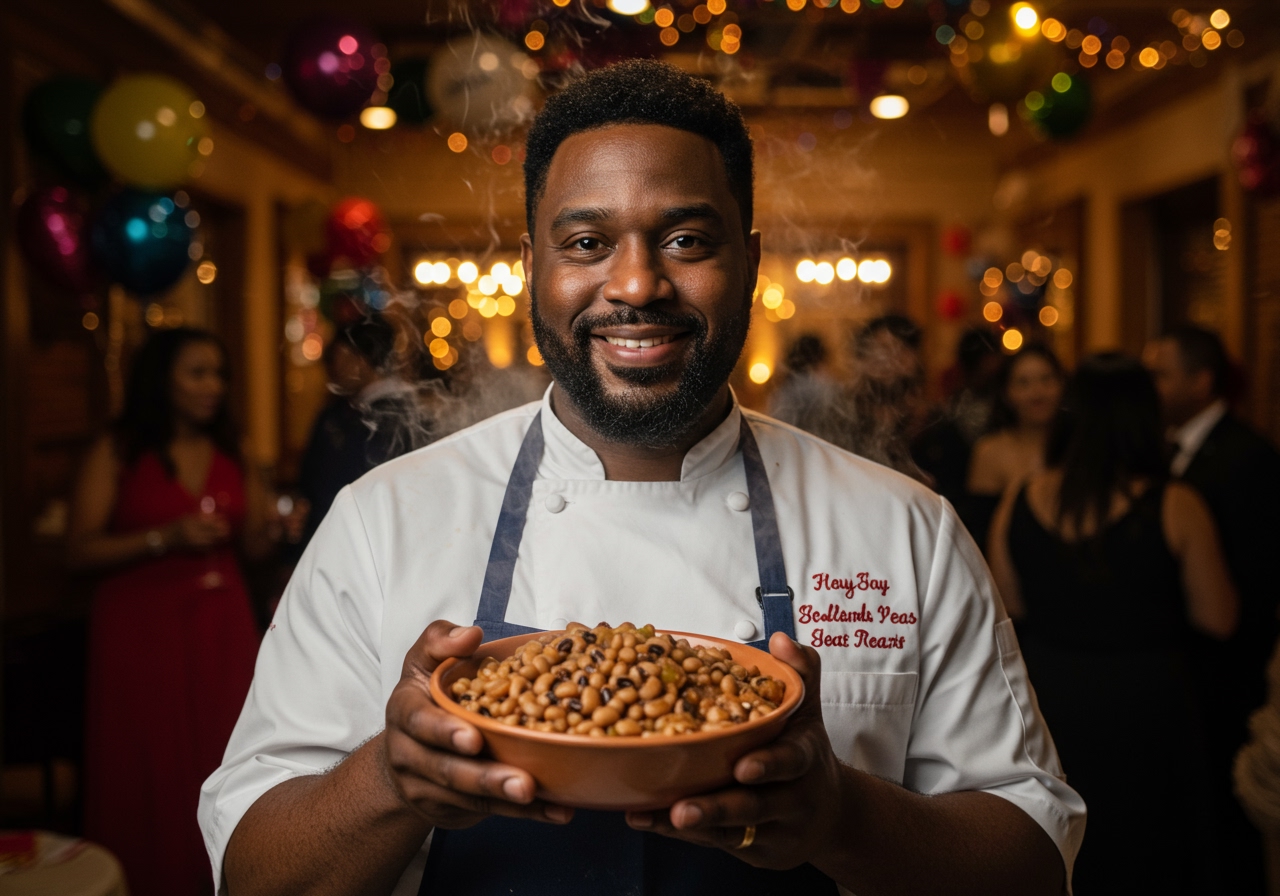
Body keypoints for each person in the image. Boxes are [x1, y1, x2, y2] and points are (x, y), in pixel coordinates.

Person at [200, 60, 1083, 896]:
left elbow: (1034, 864)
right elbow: (253, 874)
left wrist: (842, 817)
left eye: (687, 239)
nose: (636, 283)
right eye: (587, 241)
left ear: (752, 259)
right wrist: (390, 780)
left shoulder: (906, 529)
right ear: (531, 270)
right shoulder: (380, 521)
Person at [987, 352, 1238, 894]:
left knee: (1070, 846)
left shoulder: (1021, 497)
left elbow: (1008, 606)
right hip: (1151, 702)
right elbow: (1218, 618)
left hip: (1051, 696)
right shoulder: (1176, 504)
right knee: (1150, 848)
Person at [66, 327, 299, 896]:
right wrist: (164, 537)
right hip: (142, 626)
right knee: (150, 761)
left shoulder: (232, 448)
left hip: (220, 625)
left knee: (224, 754)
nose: (213, 387)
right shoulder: (119, 449)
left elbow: (254, 549)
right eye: (198, 373)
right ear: (161, 378)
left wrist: (276, 531)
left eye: (219, 374)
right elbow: (79, 550)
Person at [1146, 325, 1280, 895]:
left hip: (1227, 671)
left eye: (1162, 373)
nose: (1151, 386)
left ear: (1202, 382)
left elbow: (1255, 579)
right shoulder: (1164, 449)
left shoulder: (1248, 457)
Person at [296, 315, 421, 550]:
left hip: (347, 544)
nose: (332, 369)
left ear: (361, 360)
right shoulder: (409, 413)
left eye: (339, 357)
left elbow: (334, 490)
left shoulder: (362, 420)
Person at [964, 344, 1064, 549]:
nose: (1037, 392)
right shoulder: (990, 452)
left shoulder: (1078, 446)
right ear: (1006, 392)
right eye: (1023, 383)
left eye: (1046, 379)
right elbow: (979, 531)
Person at [842, 314, 931, 483]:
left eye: (901, 350)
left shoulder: (932, 424)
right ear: (862, 358)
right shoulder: (842, 419)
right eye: (881, 349)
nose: (890, 360)